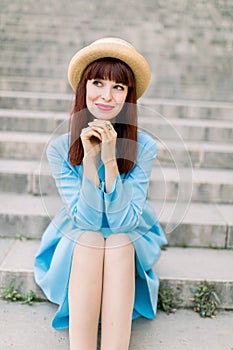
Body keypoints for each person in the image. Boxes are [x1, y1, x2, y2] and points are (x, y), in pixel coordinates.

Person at [34, 37, 167, 350]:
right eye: (98, 82)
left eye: (119, 87)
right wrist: (90, 161)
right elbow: (86, 221)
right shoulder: (59, 149)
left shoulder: (143, 147)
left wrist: (110, 158)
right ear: (84, 87)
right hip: (80, 237)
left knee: (120, 242)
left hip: (127, 233)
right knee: (91, 239)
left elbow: (124, 224)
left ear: (128, 96)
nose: (107, 96)